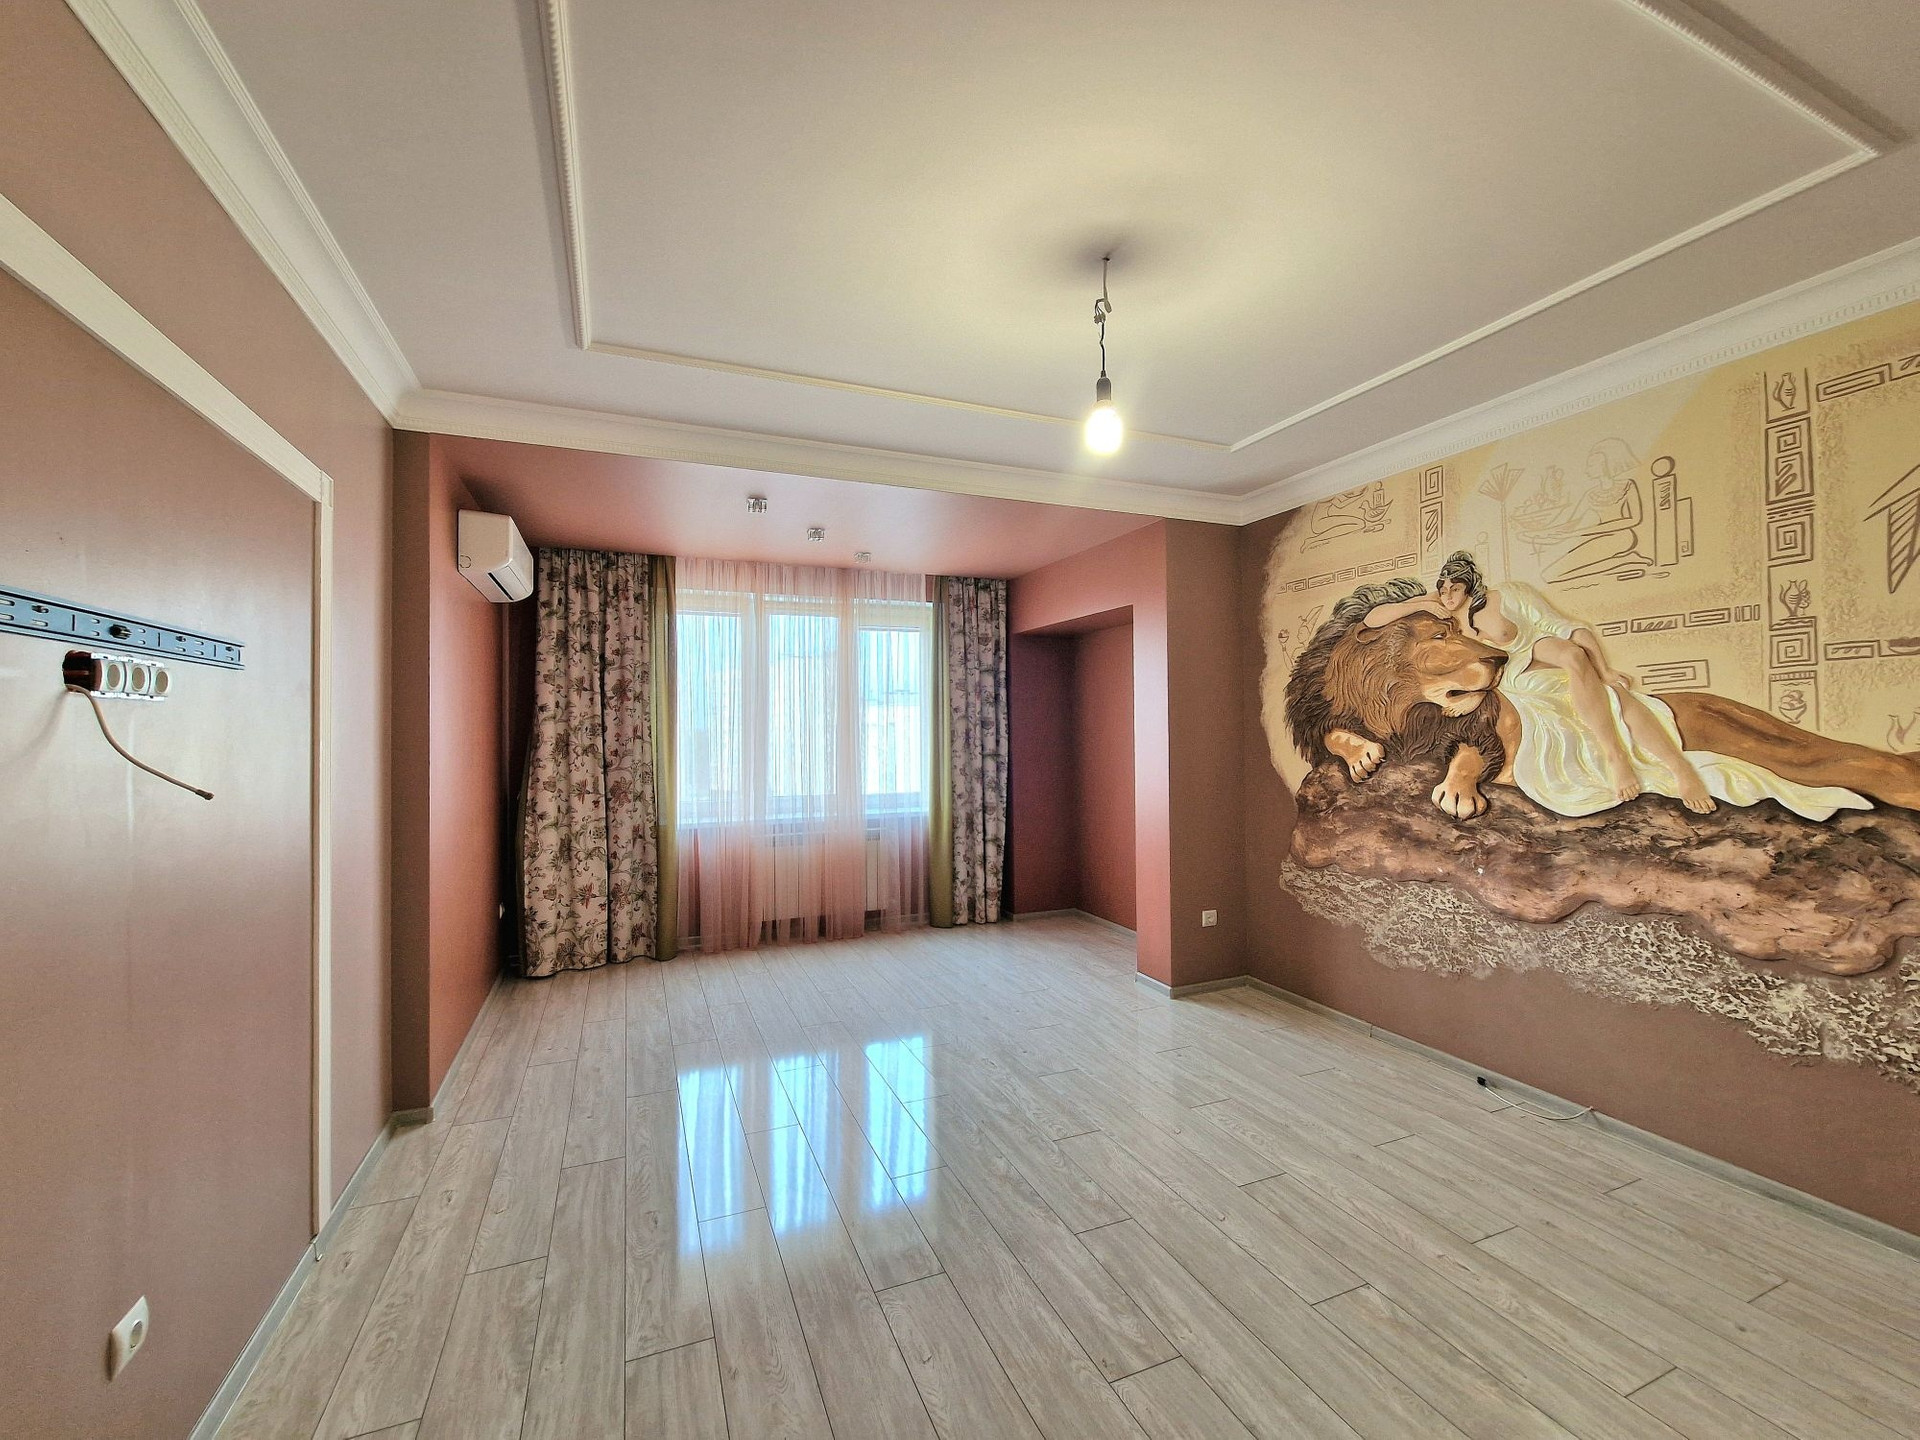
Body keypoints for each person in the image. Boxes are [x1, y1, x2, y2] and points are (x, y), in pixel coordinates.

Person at [1363, 551, 1715, 812]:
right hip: (1506, 681)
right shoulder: (1439, 611)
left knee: (1603, 684)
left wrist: (1605, 670)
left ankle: (1653, 762)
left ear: (1470, 586)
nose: (1447, 594)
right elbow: (1372, 619)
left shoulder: (1505, 596)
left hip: (1535, 658)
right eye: (1442, 587)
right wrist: (1417, 605)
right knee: (1600, 695)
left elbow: (1565, 627)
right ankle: (1622, 756)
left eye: (1455, 587)